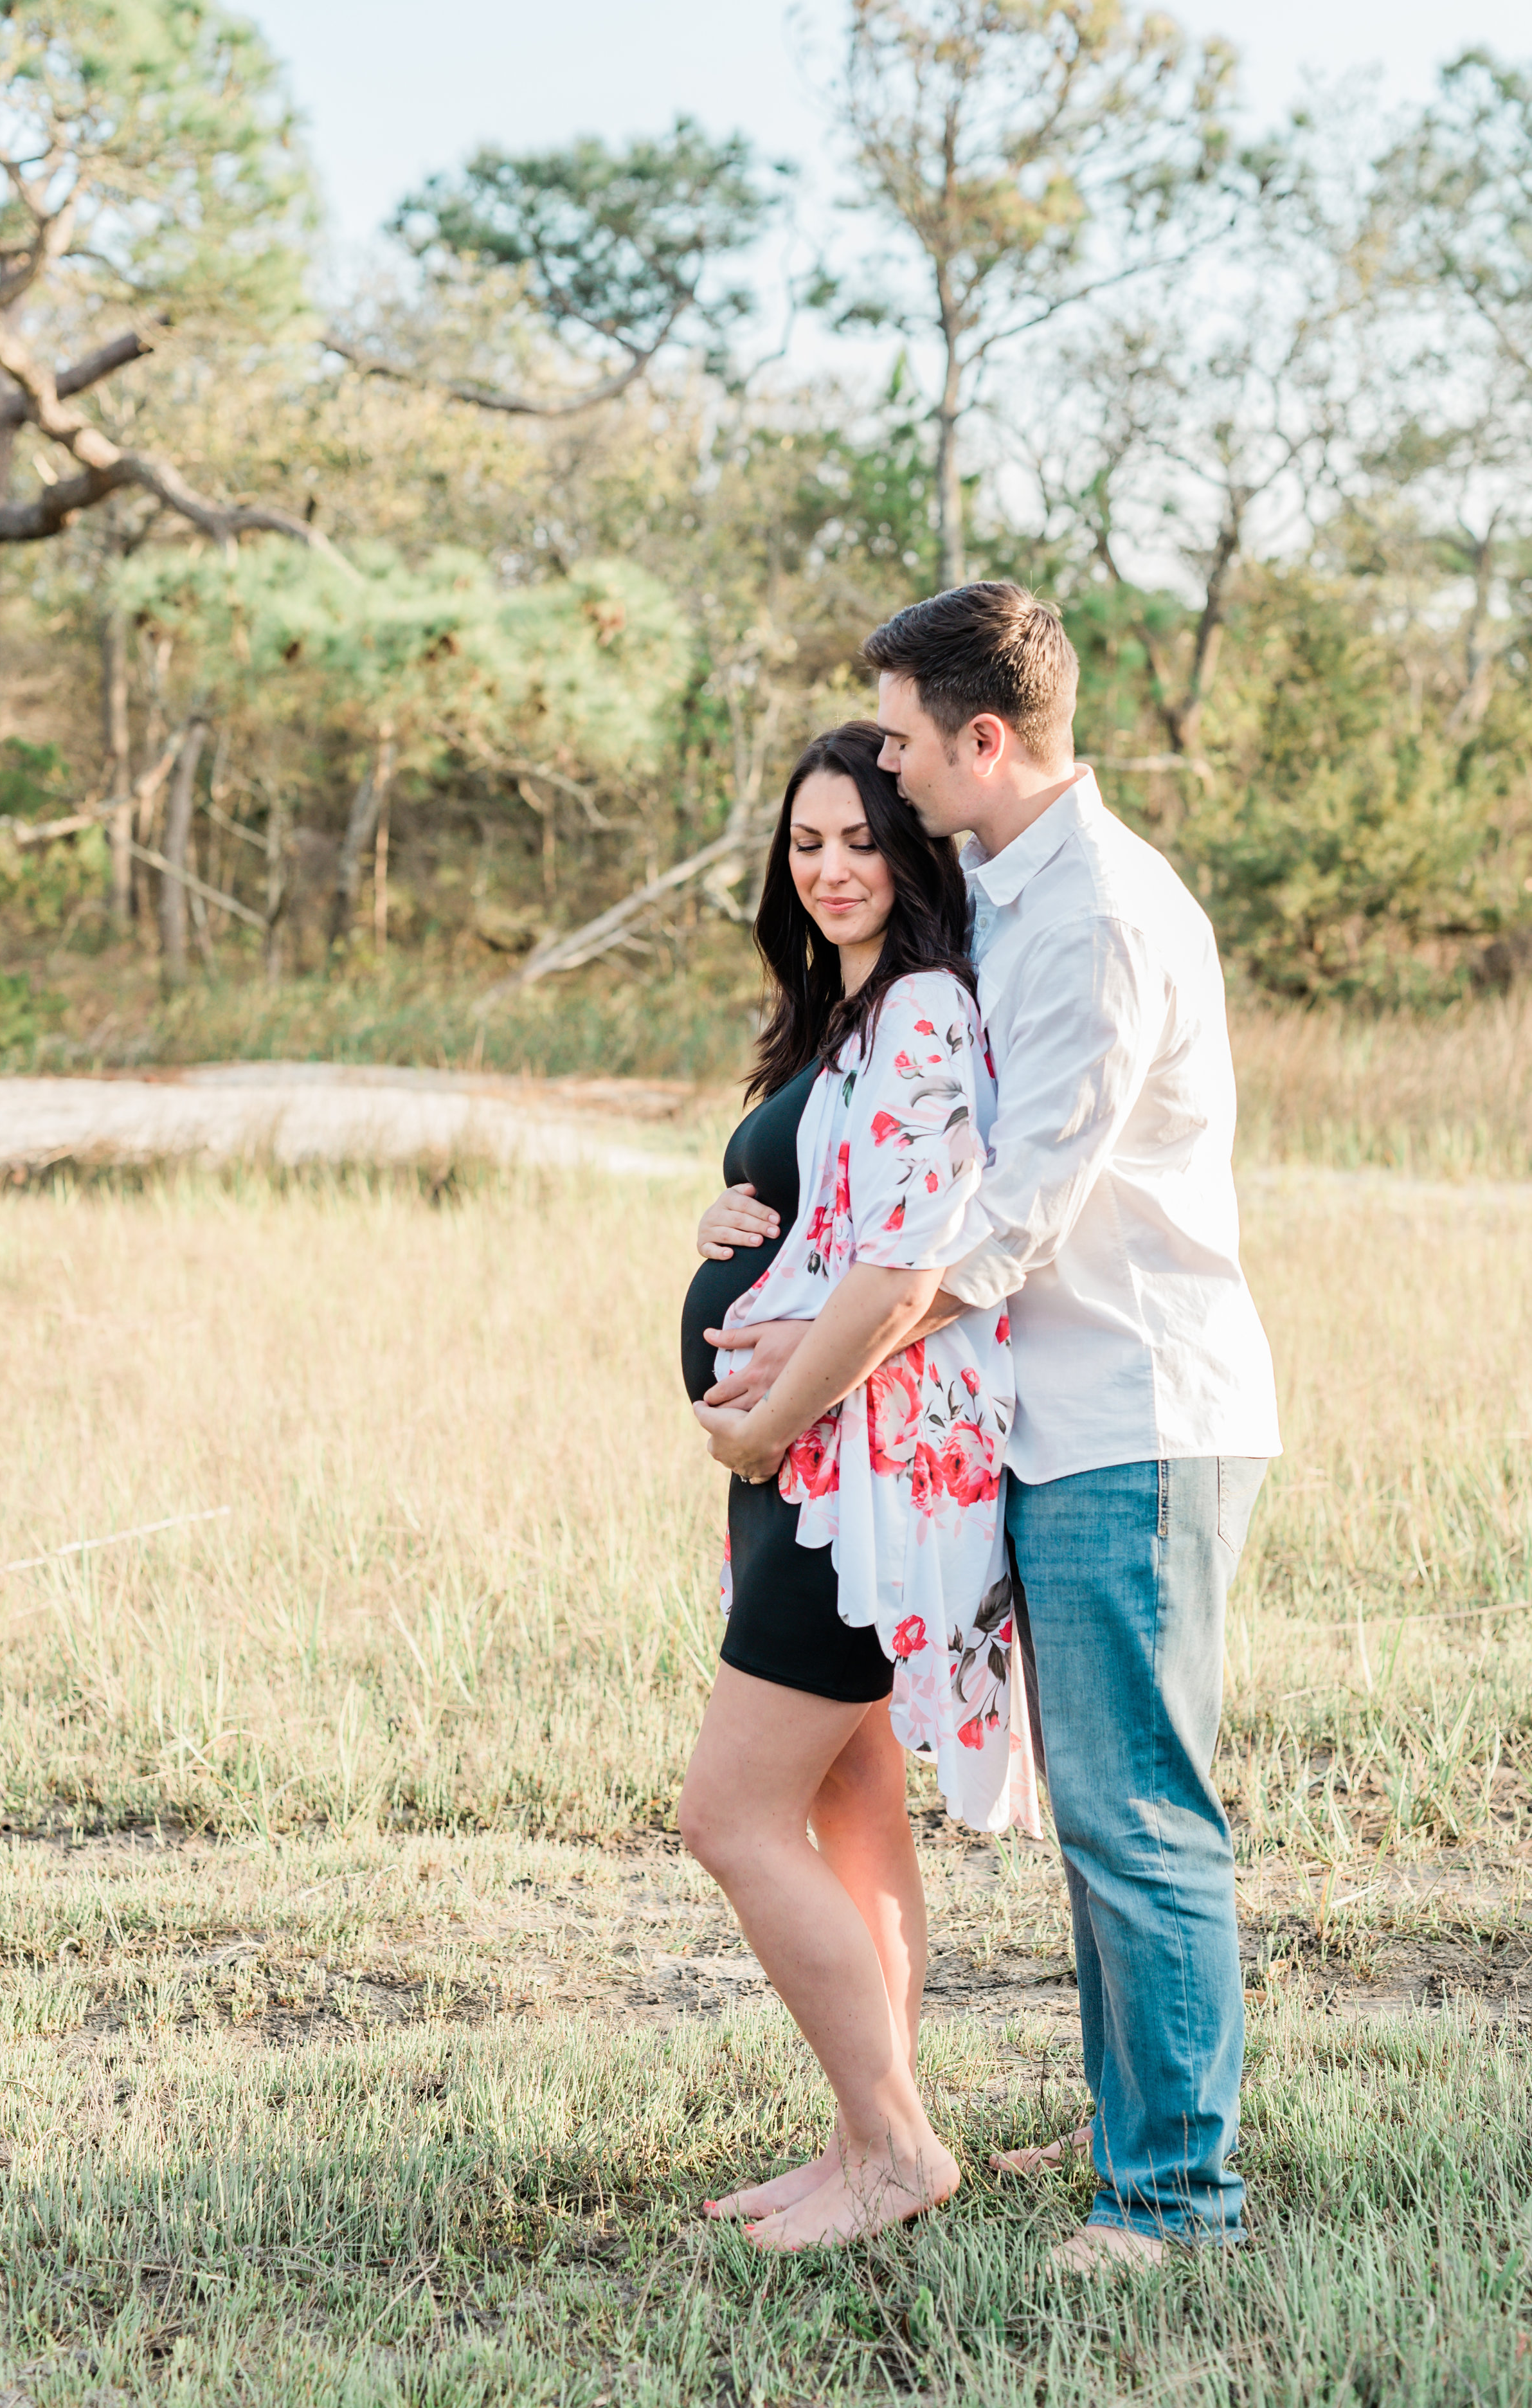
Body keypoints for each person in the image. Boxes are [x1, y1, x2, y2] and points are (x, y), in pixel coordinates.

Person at [704, 584, 1281, 2271]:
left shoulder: (1092, 916)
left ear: (978, 739)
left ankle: (1174, 2203)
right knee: (1103, 1813)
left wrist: (796, 1379)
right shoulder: (1012, 905)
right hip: (1050, 1418)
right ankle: (1134, 2151)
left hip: (1133, 1411)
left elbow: (998, 1227)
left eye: (894, 735)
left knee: (1136, 1815)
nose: (881, 765)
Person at [678, 719, 1038, 2254]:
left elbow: (902, 1268)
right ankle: (860, 2138)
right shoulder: (838, 1019)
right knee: (848, 1810)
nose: (830, 868)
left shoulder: (922, 1013)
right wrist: (732, 1220)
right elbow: (831, 1220)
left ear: (915, 849)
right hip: (803, 1469)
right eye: (805, 842)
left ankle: (895, 2148)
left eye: (860, 839)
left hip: (850, 1479)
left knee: (727, 1815)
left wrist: (764, 1426)